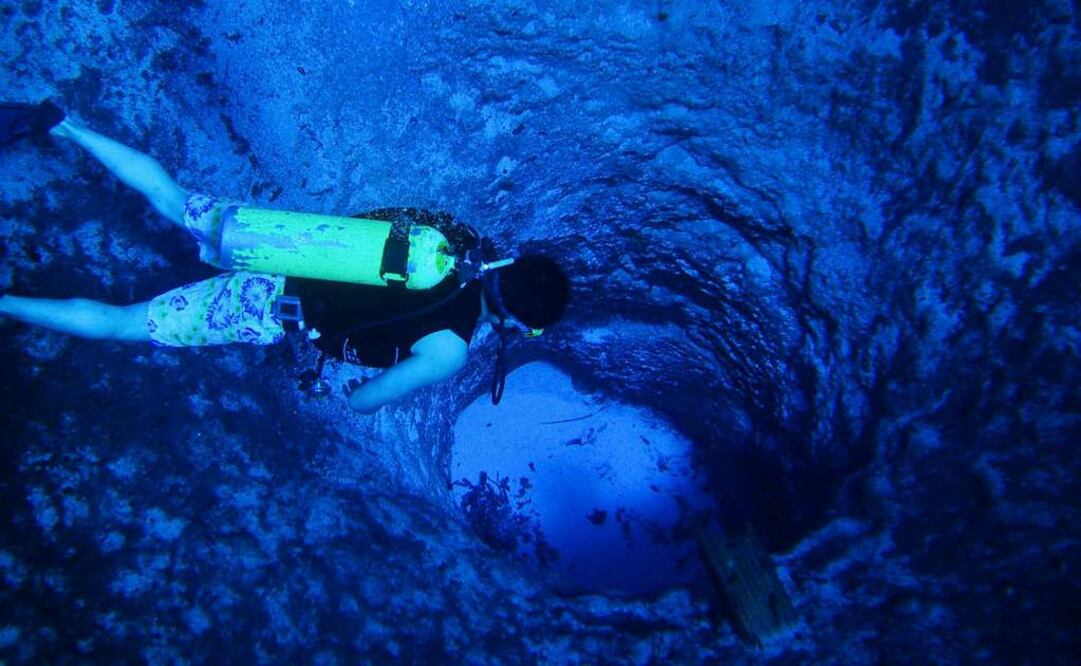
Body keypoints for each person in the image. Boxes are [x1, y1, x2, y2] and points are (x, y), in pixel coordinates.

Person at [0, 101, 570, 413]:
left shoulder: (456, 236)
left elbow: (377, 218)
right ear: (517, 322)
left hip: (283, 240)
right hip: (269, 305)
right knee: (125, 324)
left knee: (170, 197)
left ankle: (65, 125)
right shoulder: (449, 351)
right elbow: (364, 401)